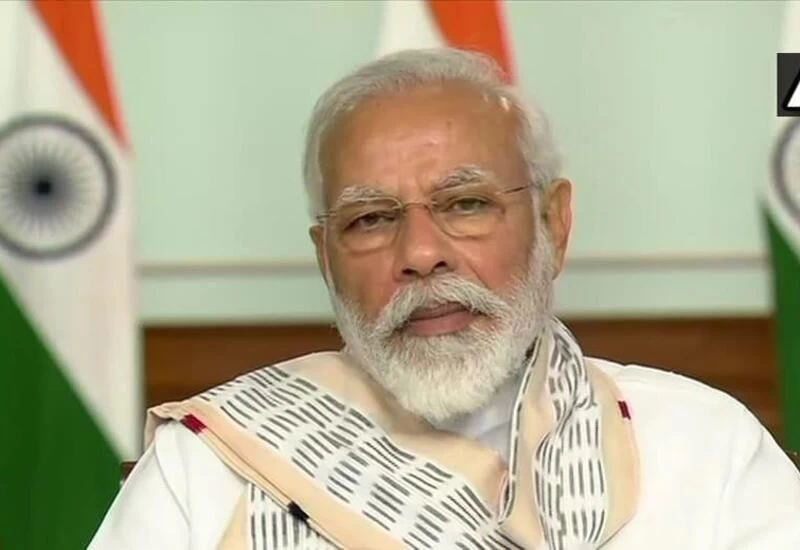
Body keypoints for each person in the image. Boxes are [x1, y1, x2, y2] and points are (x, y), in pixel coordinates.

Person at [89, 48, 800, 550]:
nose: (421, 254)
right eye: (371, 219)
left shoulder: (704, 446)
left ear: (554, 224)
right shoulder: (208, 465)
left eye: (466, 204)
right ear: (326, 258)